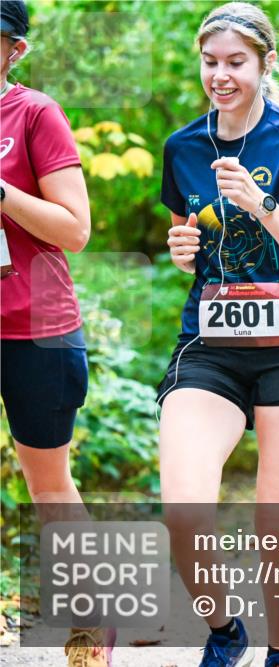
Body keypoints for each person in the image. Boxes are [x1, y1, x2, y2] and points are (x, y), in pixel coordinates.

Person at [156, 4, 279, 666]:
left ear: (265, 63)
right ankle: (225, 628)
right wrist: (182, 247)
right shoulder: (183, 146)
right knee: (183, 508)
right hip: (211, 343)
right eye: (211, 62)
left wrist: (263, 204)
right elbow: (192, 240)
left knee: (277, 519)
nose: (221, 76)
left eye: (236, 62)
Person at [0, 2, 116, 665]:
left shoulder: (35, 114)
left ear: (13, 48)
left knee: (47, 483)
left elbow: (75, 228)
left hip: (35, 328)